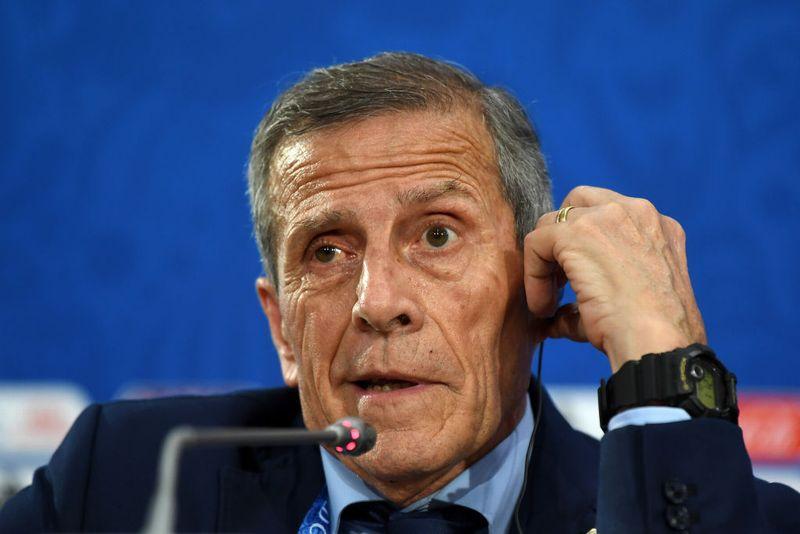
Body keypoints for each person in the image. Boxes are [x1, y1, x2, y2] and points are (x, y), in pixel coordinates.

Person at [1, 52, 798, 533]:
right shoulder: (125, 479)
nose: (378, 302)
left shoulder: (728, 512)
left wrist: (660, 363)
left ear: (538, 282)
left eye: (438, 235)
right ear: (281, 329)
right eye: (327, 250)